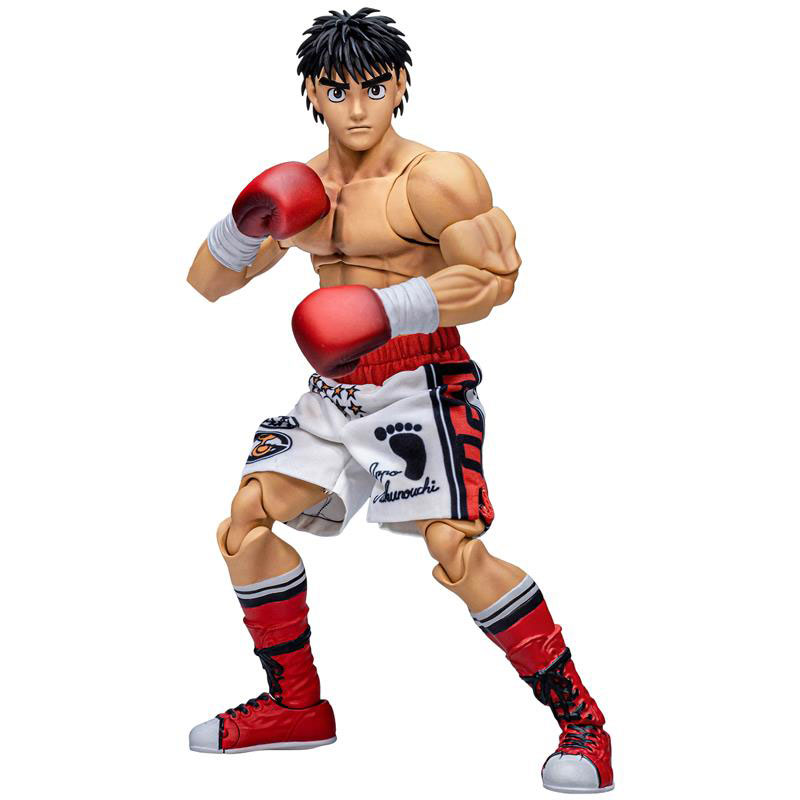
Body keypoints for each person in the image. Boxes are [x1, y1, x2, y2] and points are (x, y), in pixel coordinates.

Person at [186, 8, 613, 793]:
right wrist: (243, 227)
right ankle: (297, 707)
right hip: (335, 387)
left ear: (401, 84)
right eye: (337, 90)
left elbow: (496, 279)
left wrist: (389, 308)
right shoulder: (303, 186)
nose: (357, 108)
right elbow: (206, 284)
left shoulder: (437, 178)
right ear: (312, 91)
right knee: (244, 523)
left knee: (455, 548)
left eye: (374, 88)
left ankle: (583, 726)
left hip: (419, 382)